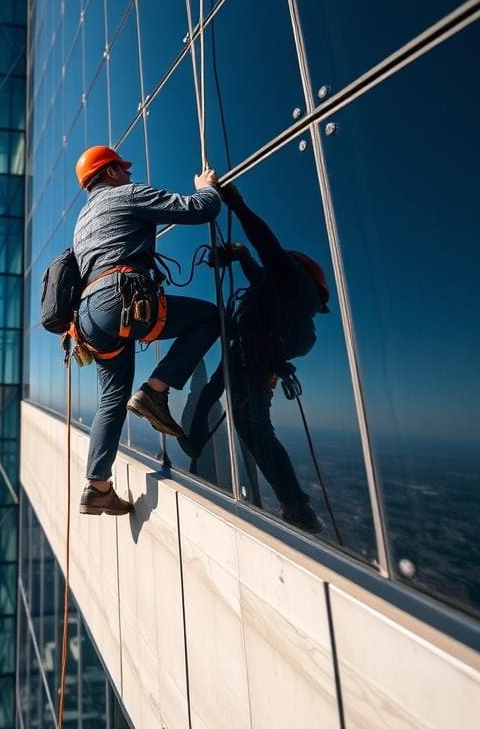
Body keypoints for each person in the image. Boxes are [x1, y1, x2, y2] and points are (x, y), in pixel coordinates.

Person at [72, 145, 222, 516]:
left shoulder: (82, 221)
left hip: (90, 316)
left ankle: (97, 487)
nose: (129, 174)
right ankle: (156, 391)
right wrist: (207, 187)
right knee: (211, 318)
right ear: (108, 173)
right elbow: (201, 209)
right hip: (119, 297)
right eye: (122, 169)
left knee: (111, 399)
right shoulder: (127, 194)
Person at [183, 183, 328, 532]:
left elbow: (267, 245)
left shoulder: (289, 277)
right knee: (216, 402)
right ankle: (194, 452)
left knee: (253, 426)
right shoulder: (282, 291)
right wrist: (239, 253)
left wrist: (237, 204)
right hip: (250, 352)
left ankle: (297, 506)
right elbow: (257, 272)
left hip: (253, 353)